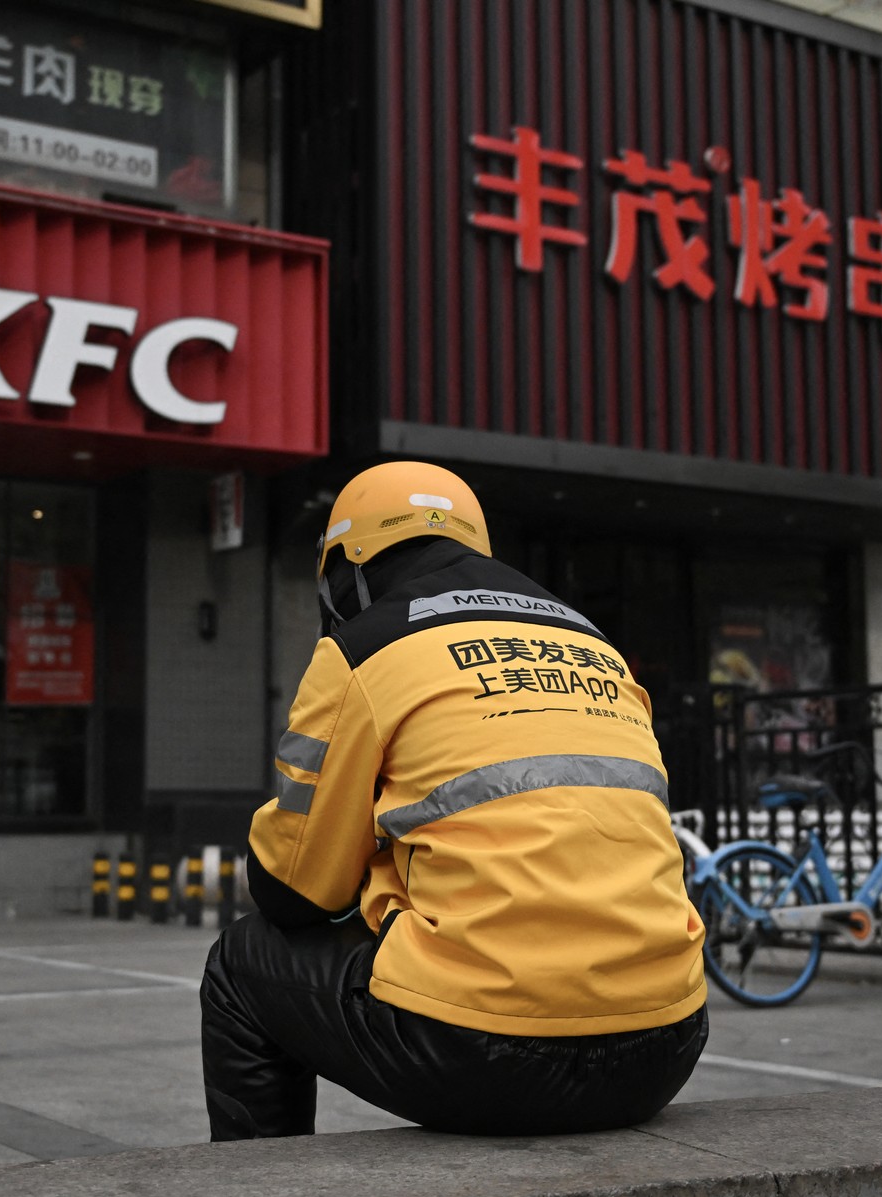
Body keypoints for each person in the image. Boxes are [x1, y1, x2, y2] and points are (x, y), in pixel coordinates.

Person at [200, 461, 707, 1140]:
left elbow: (293, 893)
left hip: (486, 1054)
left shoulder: (363, 648)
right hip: (666, 1040)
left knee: (240, 964)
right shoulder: (596, 647)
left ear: (347, 570)